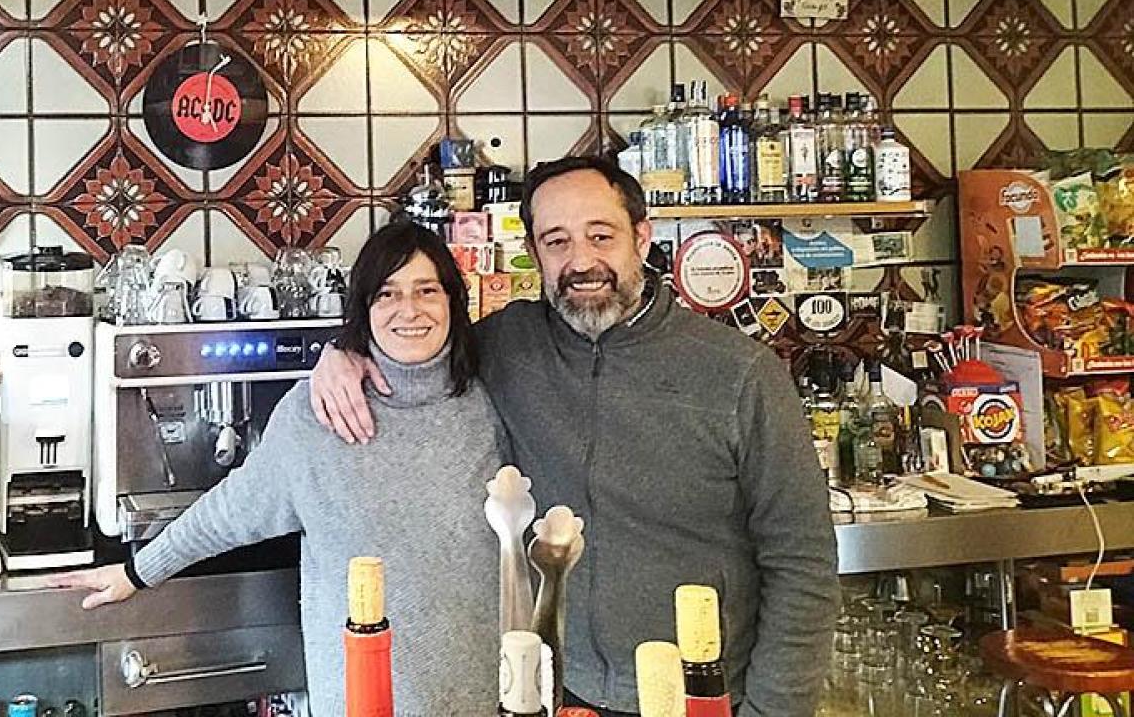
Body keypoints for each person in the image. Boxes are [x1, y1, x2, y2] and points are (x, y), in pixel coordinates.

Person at [310, 155, 838, 717]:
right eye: (557, 241)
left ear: (641, 238)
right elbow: (414, 343)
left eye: (601, 235)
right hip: (559, 690)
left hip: (701, 695)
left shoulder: (740, 373)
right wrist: (341, 352)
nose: (581, 261)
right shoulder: (507, 344)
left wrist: (774, 709)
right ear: (534, 252)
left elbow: (802, 560)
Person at [52, 221, 505, 715]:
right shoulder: (317, 416)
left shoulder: (493, 401)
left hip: (484, 695)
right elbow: (228, 511)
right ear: (363, 308)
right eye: (387, 294)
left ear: (452, 300)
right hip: (357, 702)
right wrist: (136, 572)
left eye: (427, 290)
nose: (410, 309)